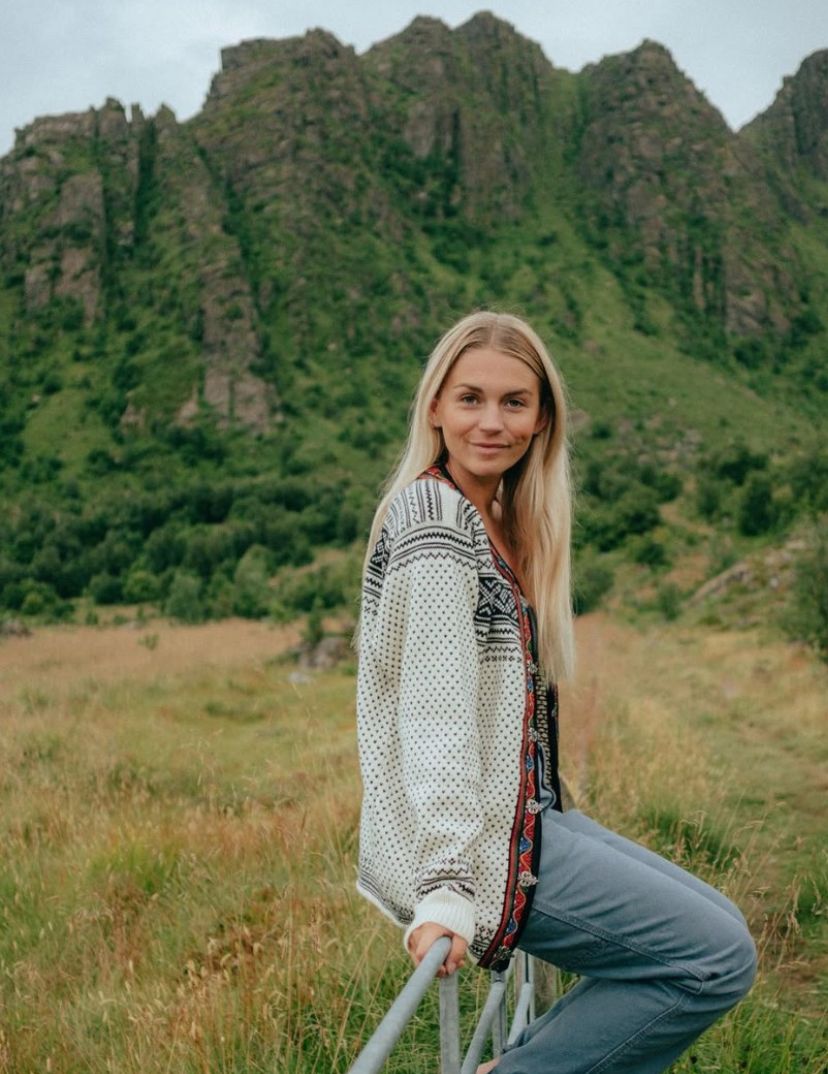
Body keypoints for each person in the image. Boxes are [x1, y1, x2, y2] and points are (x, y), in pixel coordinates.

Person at [354, 310, 756, 1073]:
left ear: (542, 419)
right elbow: (435, 714)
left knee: (721, 927)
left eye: (515, 402)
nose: (492, 422)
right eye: (470, 398)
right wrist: (446, 885)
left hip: (523, 819)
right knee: (714, 958)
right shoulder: (435, 518)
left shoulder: (495, 517)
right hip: (475, 850)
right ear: (434, 406)